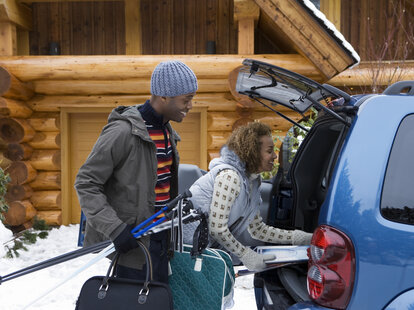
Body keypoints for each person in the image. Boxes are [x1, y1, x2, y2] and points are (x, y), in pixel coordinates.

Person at [74, 60, 198, 283]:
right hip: (132, 242)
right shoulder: (123, 132)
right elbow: (86, 183)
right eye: (186, 99)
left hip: (160, 237)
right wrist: (115, 229)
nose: (190, 105)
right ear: (164, 97)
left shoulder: (166, 131)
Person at [184, 122, 312, 271]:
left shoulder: (253, 181)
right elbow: (217, 228)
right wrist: (246, 255)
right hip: (188, 253)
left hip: (205, 252)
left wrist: (298, 238)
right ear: (253, 152)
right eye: (269, 151)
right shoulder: (230, 177)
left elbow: (257, 229)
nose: (275, 156)